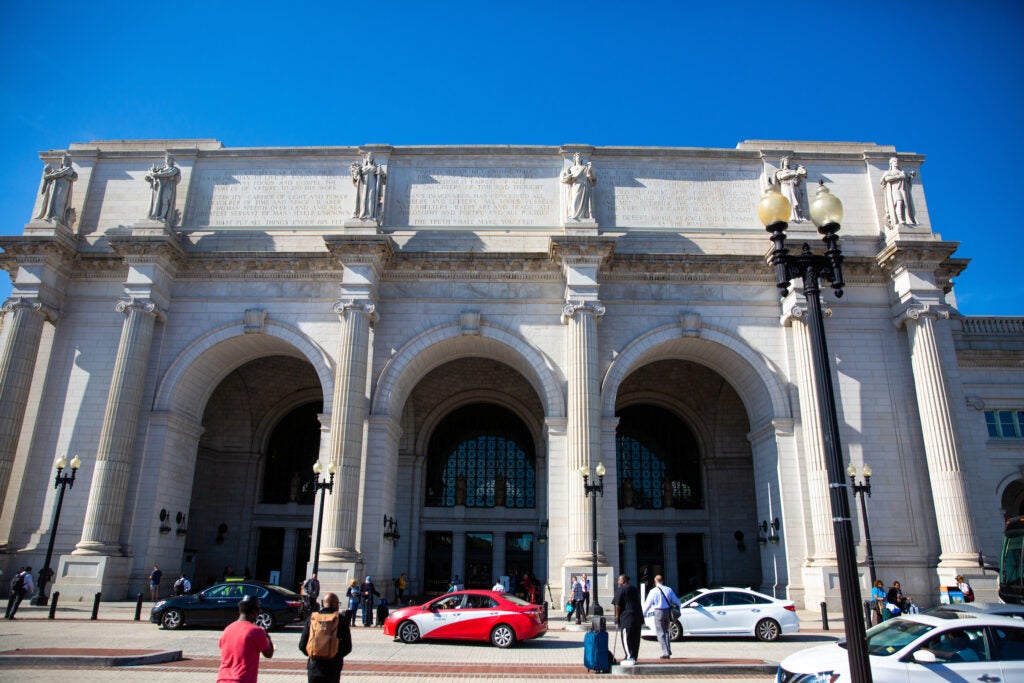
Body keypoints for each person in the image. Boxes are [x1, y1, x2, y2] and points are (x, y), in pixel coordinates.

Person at [217, 595, 274, 683]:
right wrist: (267, 637)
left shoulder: (227, 629)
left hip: (222, 679)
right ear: (253, 611)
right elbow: (268, 654)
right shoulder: (256, 631)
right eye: (258, 612)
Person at [298, 591, 351, 683]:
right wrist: (336, 655)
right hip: (333, 666)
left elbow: (302, 645)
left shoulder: (312, 618)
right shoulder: (340, 619)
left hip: (314, 665)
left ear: (323, 603)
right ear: (336, 605)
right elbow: (348, 646)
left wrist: (313, 654)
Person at [641, 574, 681, 659]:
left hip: (658, 611)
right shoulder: (668, 589)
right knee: (666, 631)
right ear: (662, 581)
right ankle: (668, 650)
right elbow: (677, 602)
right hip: (667, 611)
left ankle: (665, 652)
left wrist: (643, 614)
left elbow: (647, 604)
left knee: (660, 633)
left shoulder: (653, 591)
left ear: (655, 581)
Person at [612, 574, 643, 667]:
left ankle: (629, 656)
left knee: (627, 638)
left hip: (627, 617)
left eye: (619, 580)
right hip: (637, 617)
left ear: (623, 581)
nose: (618, 582)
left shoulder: (621, 589)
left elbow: (617, 604)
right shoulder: (634, 589)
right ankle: (634, 656)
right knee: (635, 638)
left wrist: (617, 617)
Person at [36, 154, 77, 223]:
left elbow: (60, 174)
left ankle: (58, 216)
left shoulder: (69, 169)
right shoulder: (59, 170)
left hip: (63, 187)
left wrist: (48, 176)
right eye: (64, 160)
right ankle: (49, 215)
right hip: (56, 186)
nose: (64, 162)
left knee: (59, 200)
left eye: (66, 160)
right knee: (52, 200)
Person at [880, 156, 916, 228]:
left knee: (905, 205)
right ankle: (899, 219)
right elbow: (886, 179)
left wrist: (911, 177)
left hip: (903, 190)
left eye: (897, 161)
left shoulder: (902, 172)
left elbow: (908, 183)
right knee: (899, 202)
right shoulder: (888, 172)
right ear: (891, 163)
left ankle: (907, 219)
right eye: (894, 161)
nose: (896, 163)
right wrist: (900, 177)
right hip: (894, 190)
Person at [350, 152, 387, 222]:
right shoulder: (362, 168)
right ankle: (363, 214)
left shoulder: (376, 167)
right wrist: (356, 174)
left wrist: (381, 173)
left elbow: (384, 177)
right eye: (368, 157)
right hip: (364, 184)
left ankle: (370, 215)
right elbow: (356, 178)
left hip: (372, 183)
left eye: (371, 157)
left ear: (373, 159)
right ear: (366, 159)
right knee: (363, 199)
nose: (370, 158)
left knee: (371, 198)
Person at [560, 152, 597, 221]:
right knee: (574, 201)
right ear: (574, 158)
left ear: (582, 158)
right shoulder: (571, 168)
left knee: (584, 203)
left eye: (580, 156)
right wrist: (568, 175)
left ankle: (583, 217)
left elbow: (593, 180)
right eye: (577, 156)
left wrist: (591, 170)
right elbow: (564, 179)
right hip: (575, 186)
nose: (578, 157)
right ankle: (573, 215)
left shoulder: (585, 168)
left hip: (584, 186)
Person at [144, 153, 181, 223]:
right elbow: (155, 177)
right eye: (166, 159)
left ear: (172, 161)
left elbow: (169, 174)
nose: (167, 160)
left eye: (169, 159)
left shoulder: (174, 169)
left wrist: (156, 174)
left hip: (168, 186)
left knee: (165, 199)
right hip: (159, 187)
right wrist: (150, 178)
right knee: (156, 201)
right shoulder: (160, 169)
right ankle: (155, 214)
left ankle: (162, 216)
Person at [773, 157, 809, 222]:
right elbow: (781, 177)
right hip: (786, 187)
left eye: (788, 160)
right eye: (786, 160)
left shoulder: (793, 170)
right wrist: (794, 173)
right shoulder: (780, 171)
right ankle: (790, 216)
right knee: (789, 200)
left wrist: (800, 170)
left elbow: (804, 175)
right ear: (783, 162)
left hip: (795, 187)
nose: (787, 162)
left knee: (797, 201)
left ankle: (798, 216)